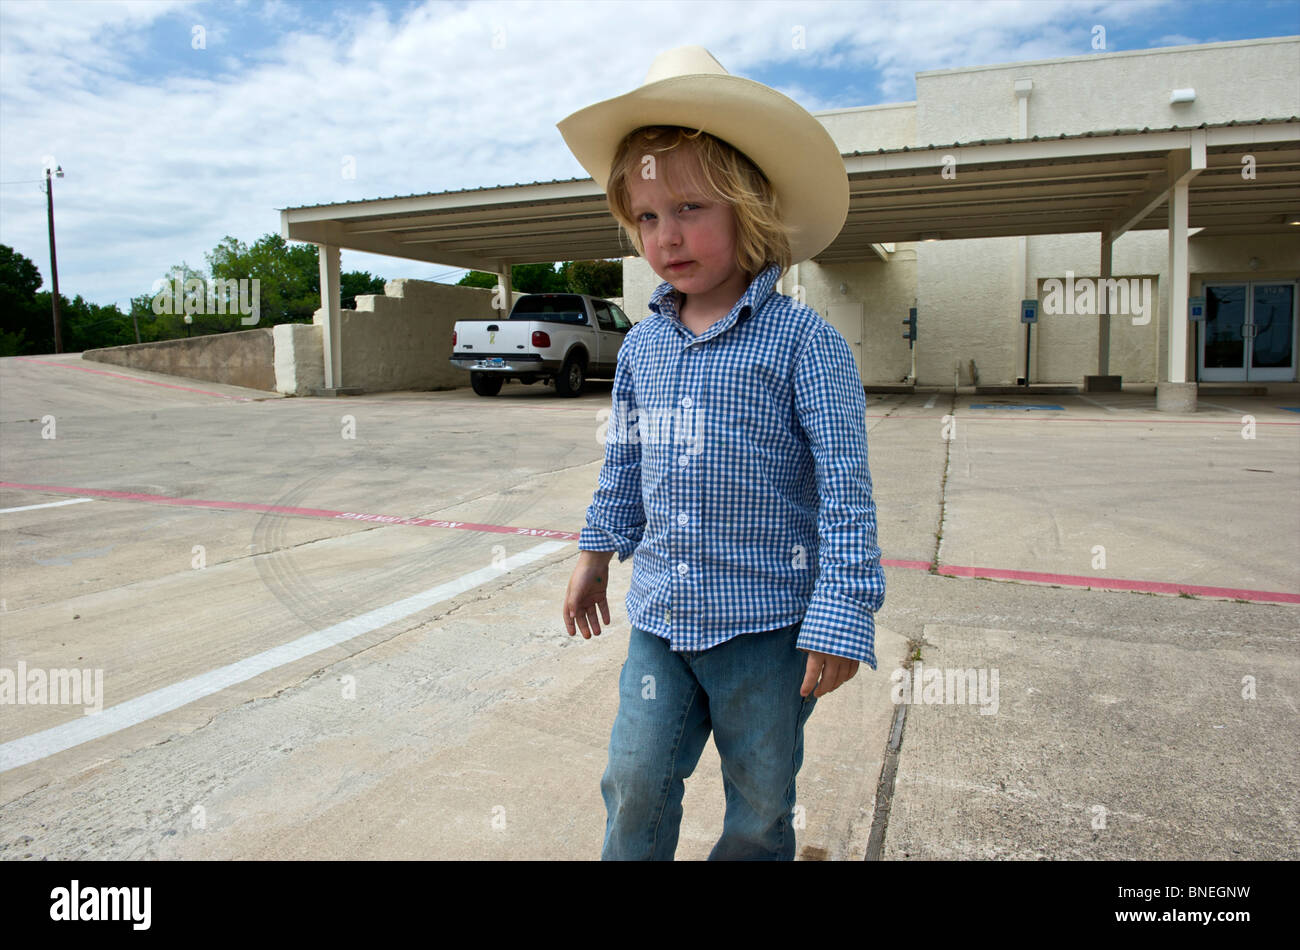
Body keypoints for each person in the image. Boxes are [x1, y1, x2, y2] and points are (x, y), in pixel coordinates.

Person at [557, 46, 885, 861]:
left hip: (770, 631)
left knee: (760, 805)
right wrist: (596, 554)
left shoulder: (806, 344)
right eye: (646, 217)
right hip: (661, 622)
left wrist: (842, 614)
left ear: (749, 207)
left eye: (691, 208)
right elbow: (624, 464)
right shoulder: (641, 348)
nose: (667, 237)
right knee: (634, 780)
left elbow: (846, 488)